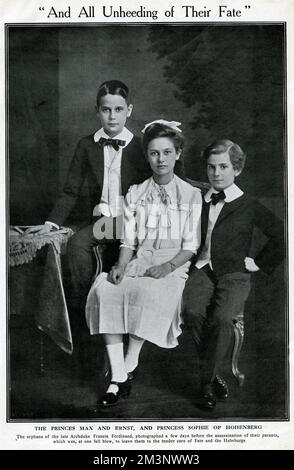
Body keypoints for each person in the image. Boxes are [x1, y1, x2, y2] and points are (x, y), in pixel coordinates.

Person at [85, 121, 202, 407]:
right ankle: (119, 372)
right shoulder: (136, 192)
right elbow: (128, 241)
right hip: (140, 260)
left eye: (166, 152)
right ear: (147, 156)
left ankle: (122, 371)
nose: (160, 159)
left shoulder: (190, 195)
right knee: (105, 290)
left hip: (172, 265)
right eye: (153, 153)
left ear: (177, 154)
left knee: (147, 293)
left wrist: (167, 268)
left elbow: (191, 246)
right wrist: (121, 266)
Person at [26, 80, 152, 344]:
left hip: (133, 221)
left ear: (129, 110)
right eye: (106, 110)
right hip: (102, 221)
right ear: (98, 111)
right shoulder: (87, 145)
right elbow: (71, 190)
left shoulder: (141, 147)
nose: (112, 116)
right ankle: (86, 313)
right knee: (76, 244)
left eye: (118, 109)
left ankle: (125, 331)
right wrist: (51, 223)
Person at [183, 139, 284, 410]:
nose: (216, 173)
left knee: (223, 318)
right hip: (203, 269)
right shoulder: (199, 198)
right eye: (211, 167)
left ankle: (206, 383)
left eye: (223, 167)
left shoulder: (247, 204)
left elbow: (282, 234)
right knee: (192, 312)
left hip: (235, 274)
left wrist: (260, 263)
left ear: (237, 169)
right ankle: (213, 373)